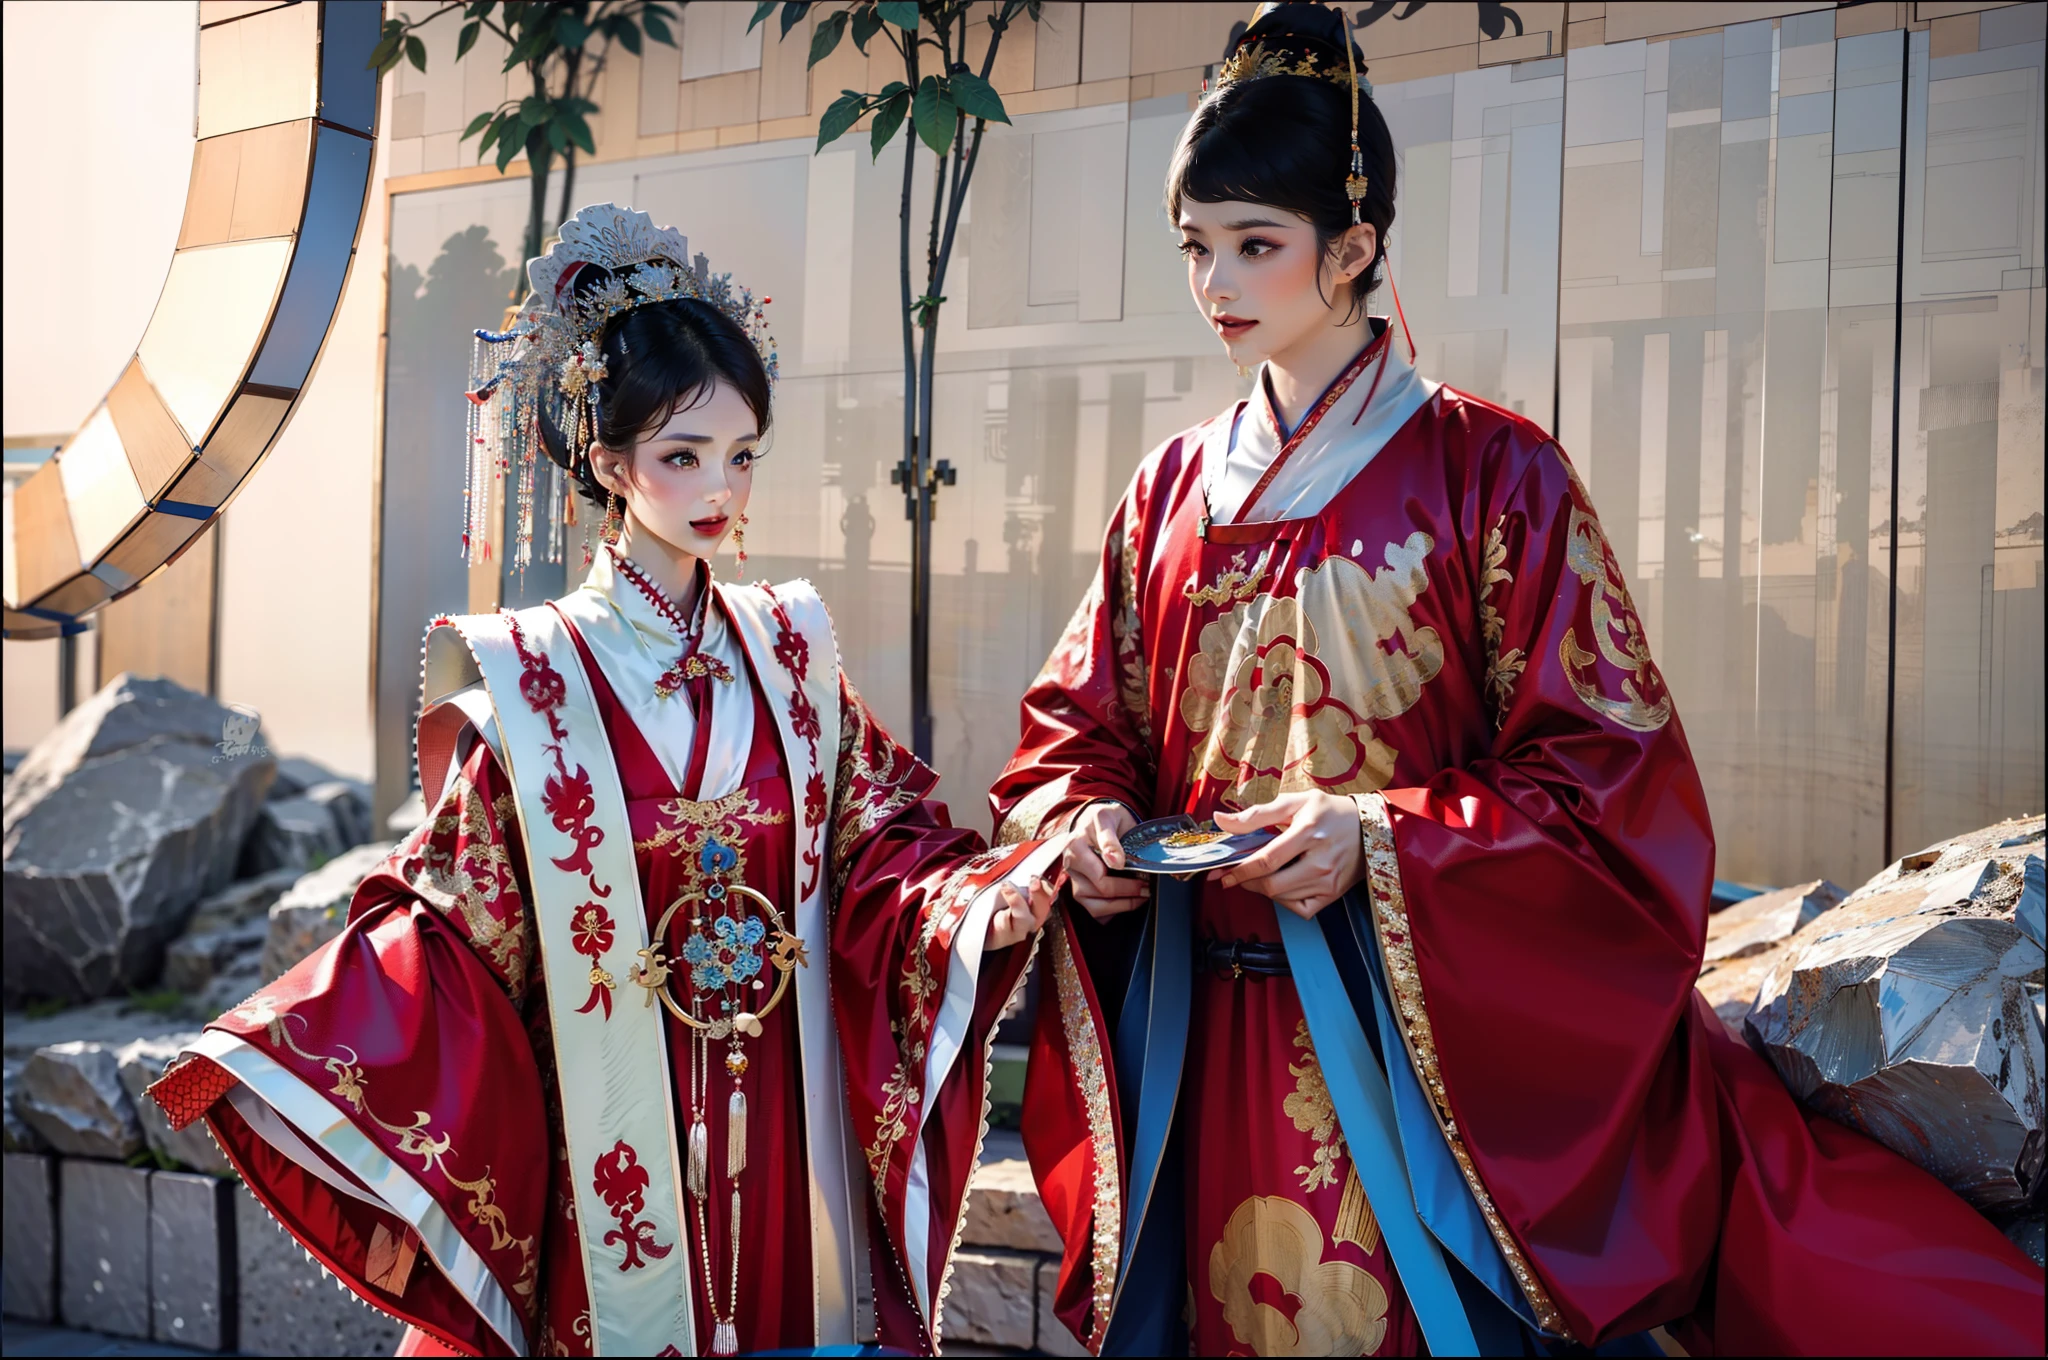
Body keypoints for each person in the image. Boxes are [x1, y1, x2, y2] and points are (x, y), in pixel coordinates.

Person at [992, 5, 2045, 1356]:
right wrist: (1079, 821)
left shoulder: (1491, 474)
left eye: (1257, 244)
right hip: (1198, 1026)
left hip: (1405, 1038)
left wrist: (1374, 837)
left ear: (1355, 248)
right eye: (1198, 247)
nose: (1218, 282)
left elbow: (1607, 780)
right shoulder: (1168, 491)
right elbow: (1080, 726)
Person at [148, 204, 1067, 1358]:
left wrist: (978, 902)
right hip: (611, 1132)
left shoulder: (791, 649)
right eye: (681, 456)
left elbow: (881, 844)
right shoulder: (533, 676)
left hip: (785, 1121)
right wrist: (358, 1138)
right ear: (607, 461)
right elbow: (448, 924)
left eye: (741, 454)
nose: (718, 487)